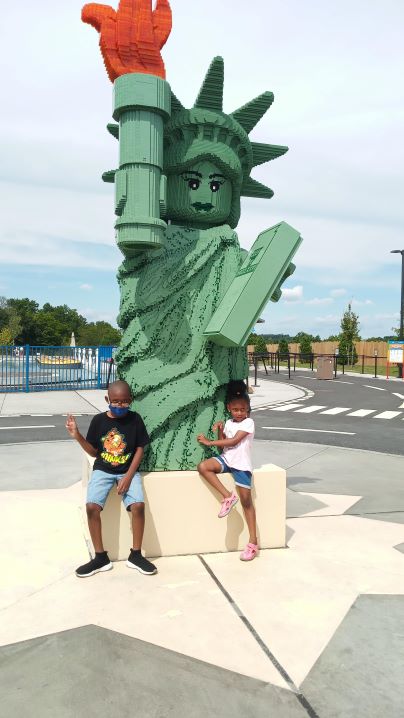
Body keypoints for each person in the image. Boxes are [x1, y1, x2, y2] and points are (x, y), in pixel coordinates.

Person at [65, 379, 157, 578]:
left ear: (130, 400)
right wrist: (77, 436)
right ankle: (100, 558)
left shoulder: (135, 419)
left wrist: (129, 476)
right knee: (92, 507)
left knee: (138, 506)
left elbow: (140, 448)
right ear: (107, 399)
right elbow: (93, 451)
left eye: (124, 402)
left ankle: (136, 555)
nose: (120, 405)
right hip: (103, 470)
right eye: (115, 401)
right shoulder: (99, 421)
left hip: (128, 470)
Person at [197, 380, 258, 561]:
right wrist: (221, 430)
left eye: (243, 410)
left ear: (248, 410)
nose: (239, 413)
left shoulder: (248, 423)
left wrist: (210, 441)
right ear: (229, 408)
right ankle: (228, 497)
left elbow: (233, 442)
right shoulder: (230, 422)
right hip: (226, 460)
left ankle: (253, 542)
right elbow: (224, 444)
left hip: (241, 465)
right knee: (203, 467)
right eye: (235, 410)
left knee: (247, 503)